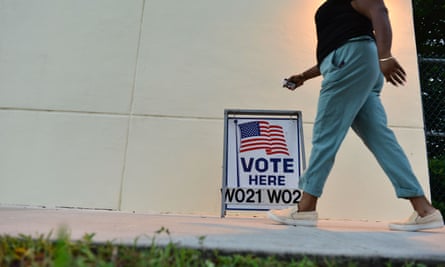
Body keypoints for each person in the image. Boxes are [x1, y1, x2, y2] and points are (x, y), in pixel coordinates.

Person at [267, 0, 444, 231]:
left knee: (325, 135)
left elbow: (379, 10)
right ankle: (424, 210)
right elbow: (337, 49)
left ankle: (305, 208)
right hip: (357, 64)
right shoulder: (339, 10)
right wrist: (303, 76)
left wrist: (386, 55)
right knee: (382, 140)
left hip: (353, 61)